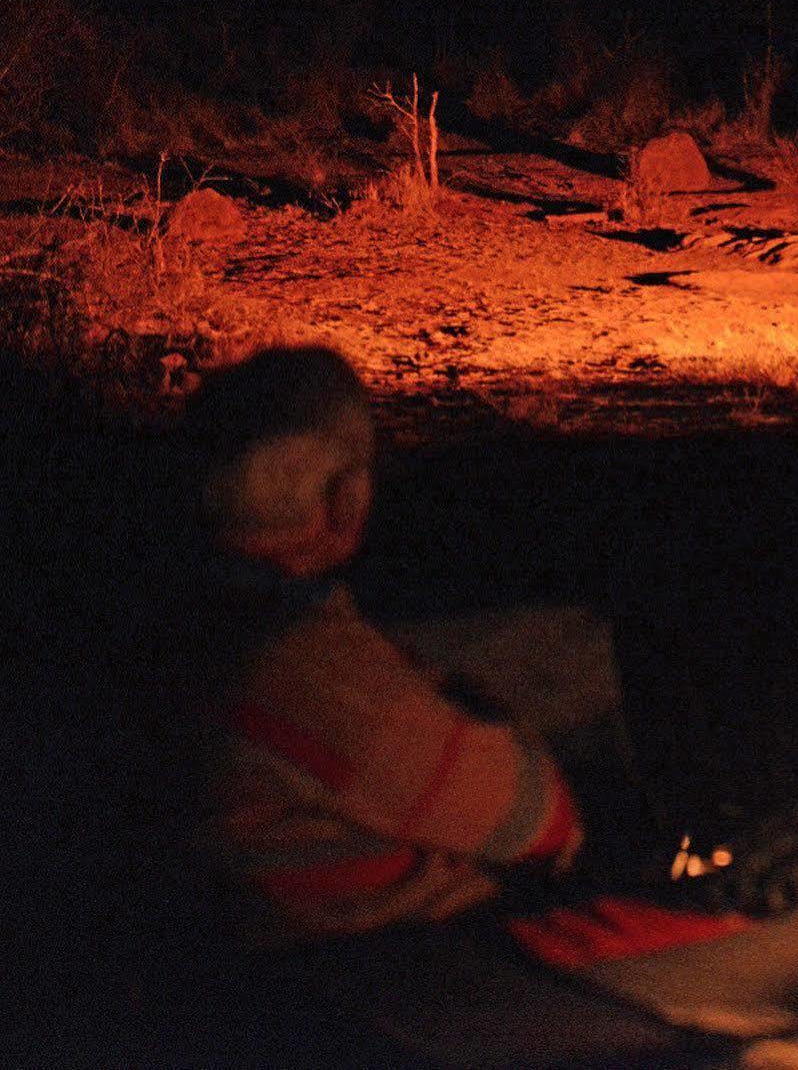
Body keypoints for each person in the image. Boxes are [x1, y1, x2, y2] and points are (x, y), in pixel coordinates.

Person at [183, 346, 585, 944]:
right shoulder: (309, 673)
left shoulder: (187, 608)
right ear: (346, 499)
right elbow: (542, 821)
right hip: (354, 977)